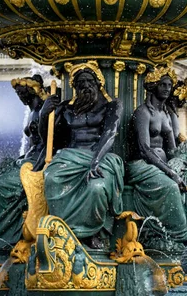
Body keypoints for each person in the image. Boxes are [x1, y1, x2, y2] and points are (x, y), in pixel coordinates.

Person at [126, 65, 187, 254]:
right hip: (141, 166)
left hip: (165, 165)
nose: (168, 88)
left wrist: (182, 163)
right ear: (153, 86)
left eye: (169, 85)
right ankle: (185, 236)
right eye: (163, 85)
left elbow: (172, 149)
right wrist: (171, 172)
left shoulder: (167, 115)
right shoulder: (143, 113)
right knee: (170, 187)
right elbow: (144, 149)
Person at [40, 61, 124, 249]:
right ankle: (61, 231)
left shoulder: (112, 105)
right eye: (80, 83)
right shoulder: (65, 109)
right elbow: (49, 139)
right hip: (70, 156)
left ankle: (90, 232)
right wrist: (43, 115)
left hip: (100, 156)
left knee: (96, 187)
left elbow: (110, 133)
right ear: (75, 87)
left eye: (89, 81)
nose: (85, 86)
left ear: (98, 83)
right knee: (51, 179)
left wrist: (95, 161)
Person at [0, 75, 47, 249]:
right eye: (19, 93)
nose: (21, 96)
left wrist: (35, 169)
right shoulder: (33, 111)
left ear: (35, 91)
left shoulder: (45, 111)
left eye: (24, 93)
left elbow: (49, 146)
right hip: (26, 160)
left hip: (35, 164)